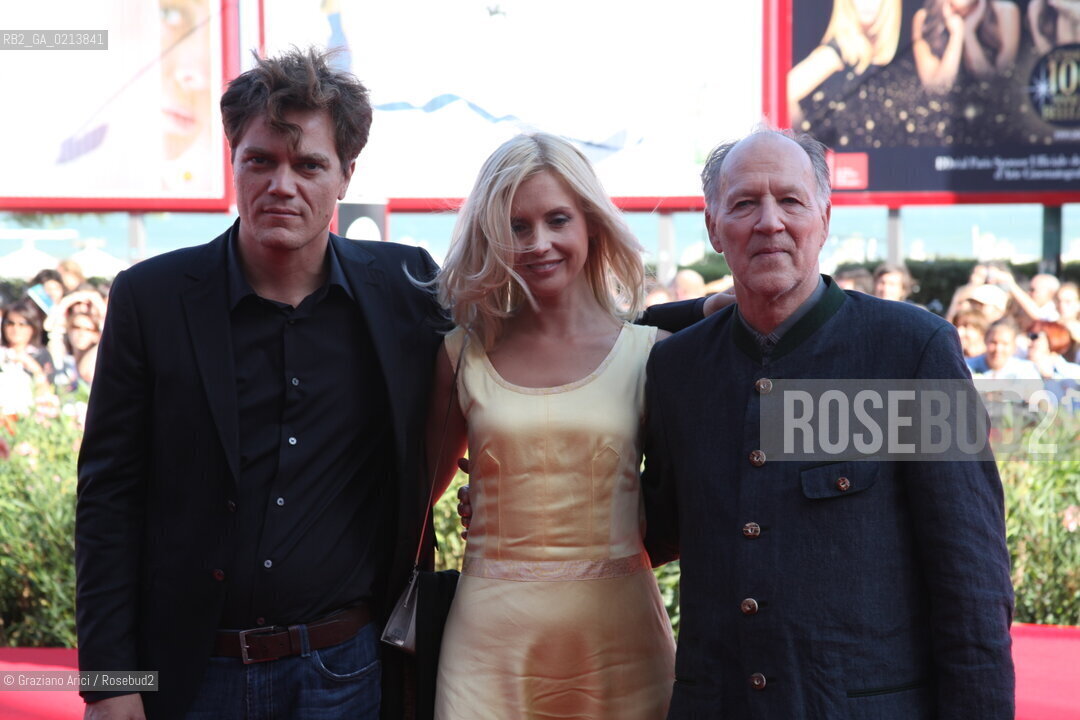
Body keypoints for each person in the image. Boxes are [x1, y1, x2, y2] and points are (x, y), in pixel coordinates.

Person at [75, 47, 450, 720]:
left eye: (309, 164)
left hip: (349, 672)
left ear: (345, 175)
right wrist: (109, 681)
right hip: (193, 677)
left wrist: (701, 317)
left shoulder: (407, 289)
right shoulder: (152, 299)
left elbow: (545, 322)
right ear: (234, 164)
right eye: (262, 161)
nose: (284, 184)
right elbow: (109, 497)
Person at [641, 128, 1015, 718]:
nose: (769, 222)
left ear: (824, 216)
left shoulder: (908, 352)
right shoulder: (678, 370)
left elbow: (971, 579)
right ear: (713, 227)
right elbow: (654, 525)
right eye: (743, 203)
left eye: (790, 200)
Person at [428, 133, 675, 719]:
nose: (539, 242)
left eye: (557, 219)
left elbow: (692, 505)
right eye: (517, 226)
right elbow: (418, 499)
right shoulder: (460, 355)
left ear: (590, 223)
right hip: (489, 645)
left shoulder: (654, 355)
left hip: (621, 643)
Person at [787, 0, 902, 126]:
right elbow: (781, 93)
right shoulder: (836, 52)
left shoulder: (885, 60)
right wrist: (805, 138)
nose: (867, 3)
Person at [912, 0, 1021, 95]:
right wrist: (956, 35)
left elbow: (997, 83)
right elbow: (938, 88)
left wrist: (969, 33)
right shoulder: (925, 18)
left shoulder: (1005, 12)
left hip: (990, 110)